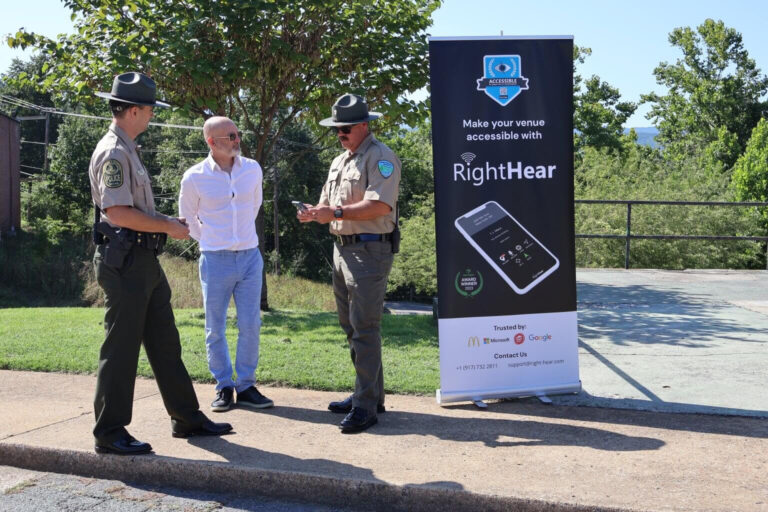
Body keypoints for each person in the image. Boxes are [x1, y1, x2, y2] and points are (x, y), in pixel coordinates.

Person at [89, 72, 232, 455]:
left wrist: (163, 226)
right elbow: (117, 211)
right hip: (125, 260)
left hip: (143, 260)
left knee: (165, 343)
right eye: (150, 109)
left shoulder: (128, 148)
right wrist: (168, 225)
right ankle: (109, 431)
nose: (152, 115)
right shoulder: (115, 151)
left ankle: (186, 417)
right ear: (133, 110)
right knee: (121, 348)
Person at [297, 93, 401, 433]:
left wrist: (335, 213)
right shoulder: (341, 161)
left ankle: (365, 406)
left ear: (364, 125)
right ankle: (368, 393)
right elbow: (327, 203)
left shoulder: (381, 157)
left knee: (365, 329)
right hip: (341, 250)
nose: (340, 134)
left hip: (369, 252)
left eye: (345, 128)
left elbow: (379, 206)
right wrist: (314, 213)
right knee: (351, 327)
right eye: (336, 129)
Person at [178, 117, 273, 413]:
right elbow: (187, 219)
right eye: (230, 136)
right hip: (214, 259)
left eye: (237, 134)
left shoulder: (253, 170)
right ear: (211, 142)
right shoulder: (194, 177)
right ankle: (223, 385)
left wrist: (239, 236)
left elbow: (255, 205)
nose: (236, 140)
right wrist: (211, 238)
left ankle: (245, 385)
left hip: (249, 257)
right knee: (215, 327)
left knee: (251, 324)